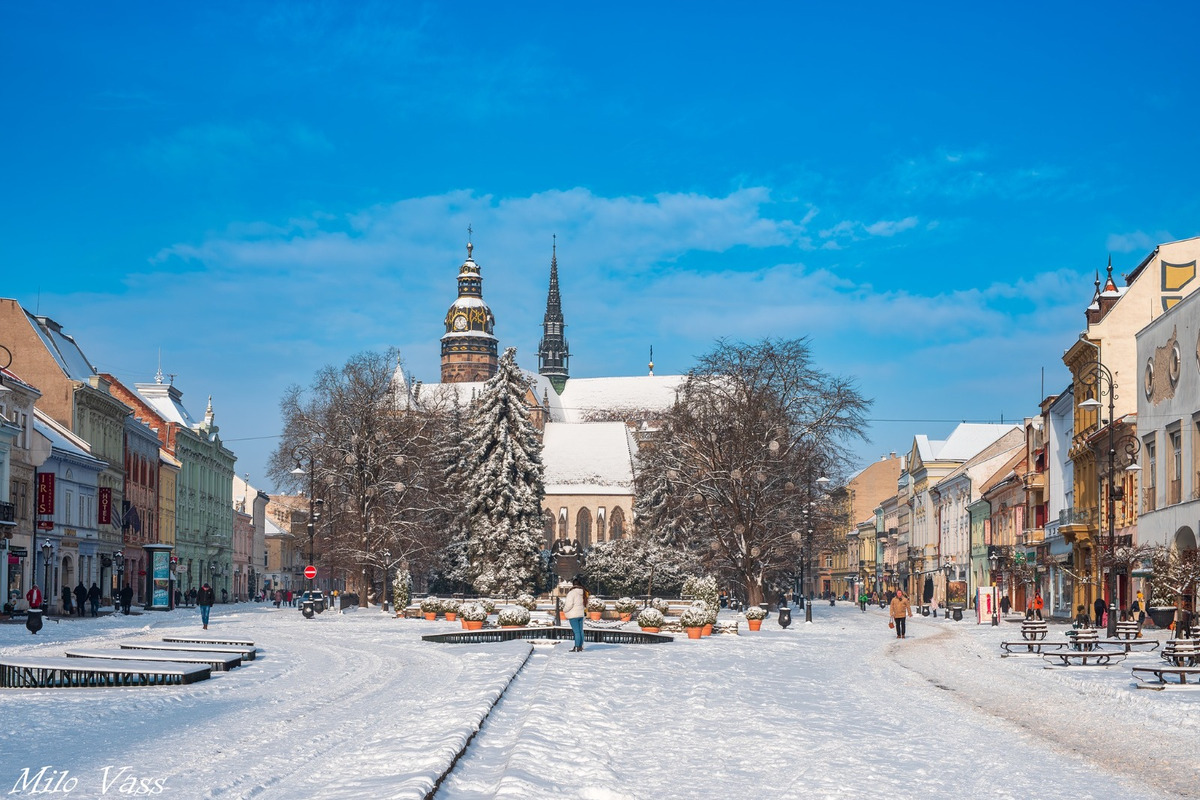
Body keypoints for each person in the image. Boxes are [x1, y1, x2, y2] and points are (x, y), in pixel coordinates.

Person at [562, 576, 587, 652]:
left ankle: (576, 646)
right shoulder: (583, 592)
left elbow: (569, 605)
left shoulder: (572, 593)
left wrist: (564, 610)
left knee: (576, 632)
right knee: (580, 631)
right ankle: (580, 646)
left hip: (573, 615)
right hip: (580, 614)